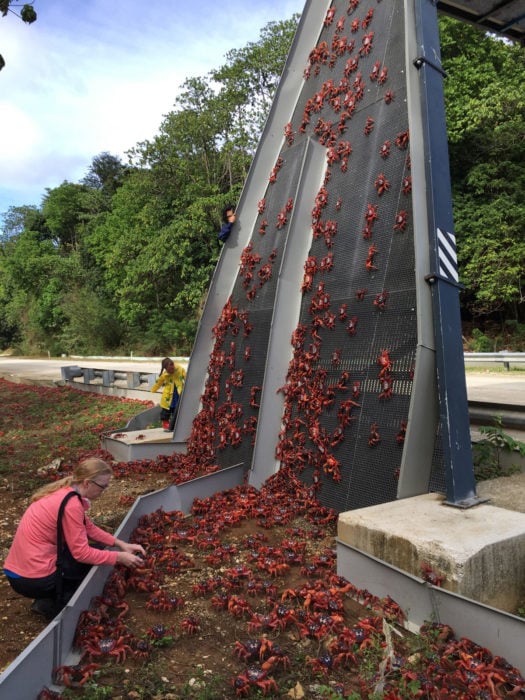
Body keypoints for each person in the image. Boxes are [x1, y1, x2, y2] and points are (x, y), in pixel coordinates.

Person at [3, 458, 145, 620]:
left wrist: (120, 544)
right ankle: (59, 608)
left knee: (98, 551)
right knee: (87, 567)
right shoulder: (71, 505)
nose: (104, 491)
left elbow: (88, 528)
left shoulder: (65, 492)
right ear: (87, 483)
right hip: (32, 579)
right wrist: (118, 557)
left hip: (19, 571)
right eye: (102, 487)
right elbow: (81, 554)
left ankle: (46, 600)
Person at [151, 357, 186, 431]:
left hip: (178, 394)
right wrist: (153, 390)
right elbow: (158, 383)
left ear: (174, 365)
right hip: (168, 396)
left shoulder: (180, 369)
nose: (171, 371)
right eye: (169, 370)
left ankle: (175, 424)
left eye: (172, 368)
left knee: (176, 410)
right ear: (165, 369)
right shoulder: (164, 375)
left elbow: (186, 377)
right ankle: (165, 423)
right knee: (166, 411)